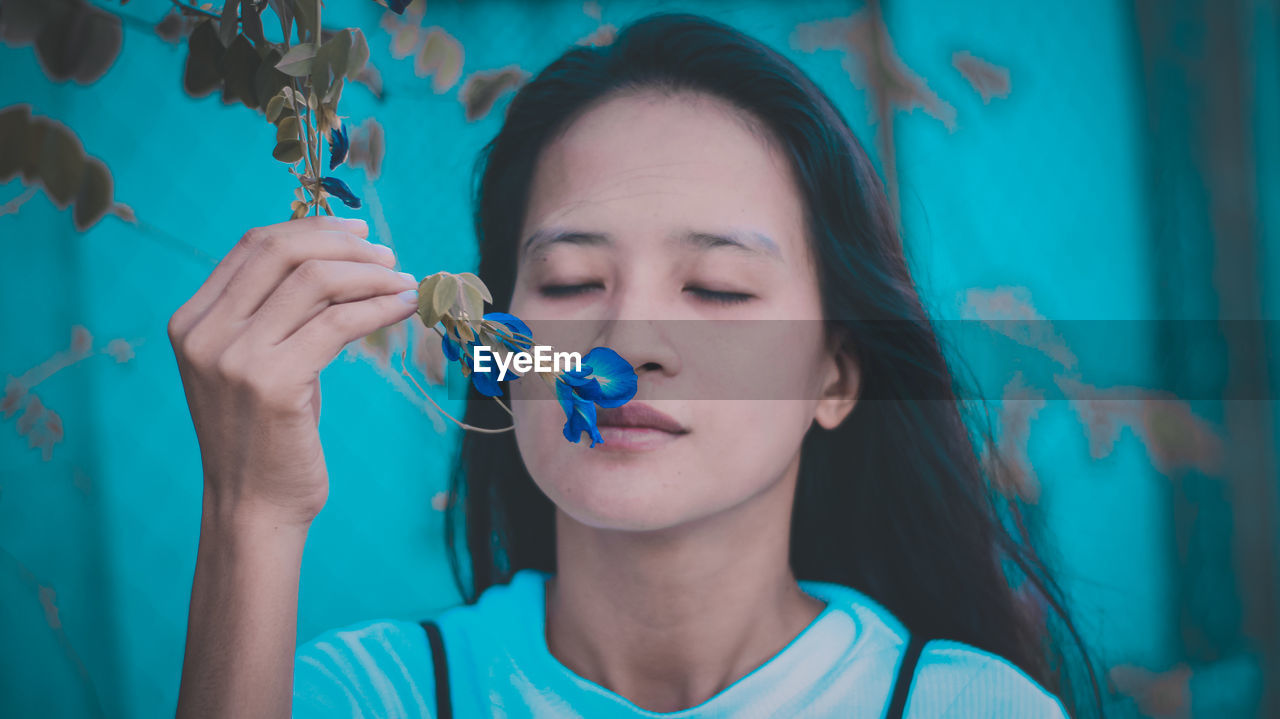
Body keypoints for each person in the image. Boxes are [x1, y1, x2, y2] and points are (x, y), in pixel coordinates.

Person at [170, 12, 1100, 719]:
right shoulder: (369, 694)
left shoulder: (967, 707)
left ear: (836, 376)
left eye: (719, 288)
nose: (627, 341)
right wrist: (248, 513)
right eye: (571, 280)